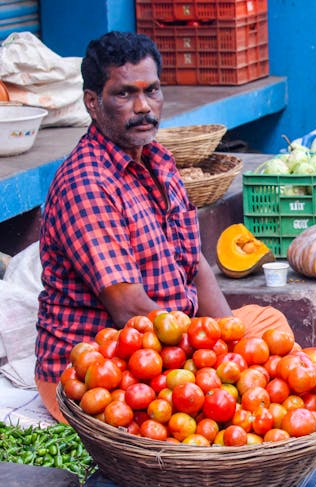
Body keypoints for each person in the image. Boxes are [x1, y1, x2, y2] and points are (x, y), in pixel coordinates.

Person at [35, 31, 290, 422]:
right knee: (214, 410)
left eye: (151, 90)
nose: (143, 106)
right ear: (92, 102)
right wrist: (211, 362)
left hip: (172, 338)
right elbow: (130, 311)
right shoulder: (86, 184)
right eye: (124, 94)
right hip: (104, 371)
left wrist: (230, 341)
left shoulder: (159, 160)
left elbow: (195, 263)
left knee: (268, 326)